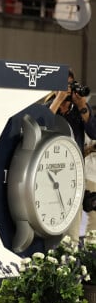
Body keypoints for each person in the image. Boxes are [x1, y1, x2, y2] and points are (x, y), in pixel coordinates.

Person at [47, 69, 96, 241]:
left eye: (70, 84)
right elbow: (42, 126)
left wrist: (82, 106)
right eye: (63, 85)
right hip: (49, 173)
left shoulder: (79, 107)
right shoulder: (49, 106)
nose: (68, 89)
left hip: (75, 172)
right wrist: (58, 99)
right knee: (51, 223)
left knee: (73, 229)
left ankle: (70, 262)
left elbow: (94, 131)